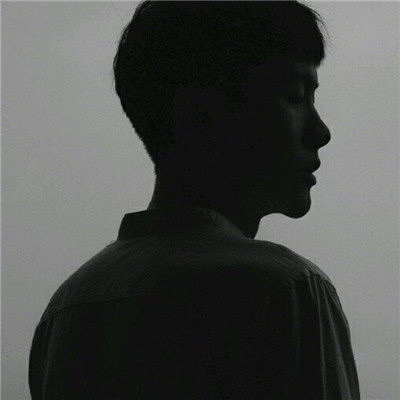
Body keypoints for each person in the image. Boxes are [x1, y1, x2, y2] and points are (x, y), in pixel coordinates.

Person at [29, 1, 360, 399]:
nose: (320, 131)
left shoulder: (68, 309)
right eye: (294, 96)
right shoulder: (286, 289)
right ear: (203, 111)